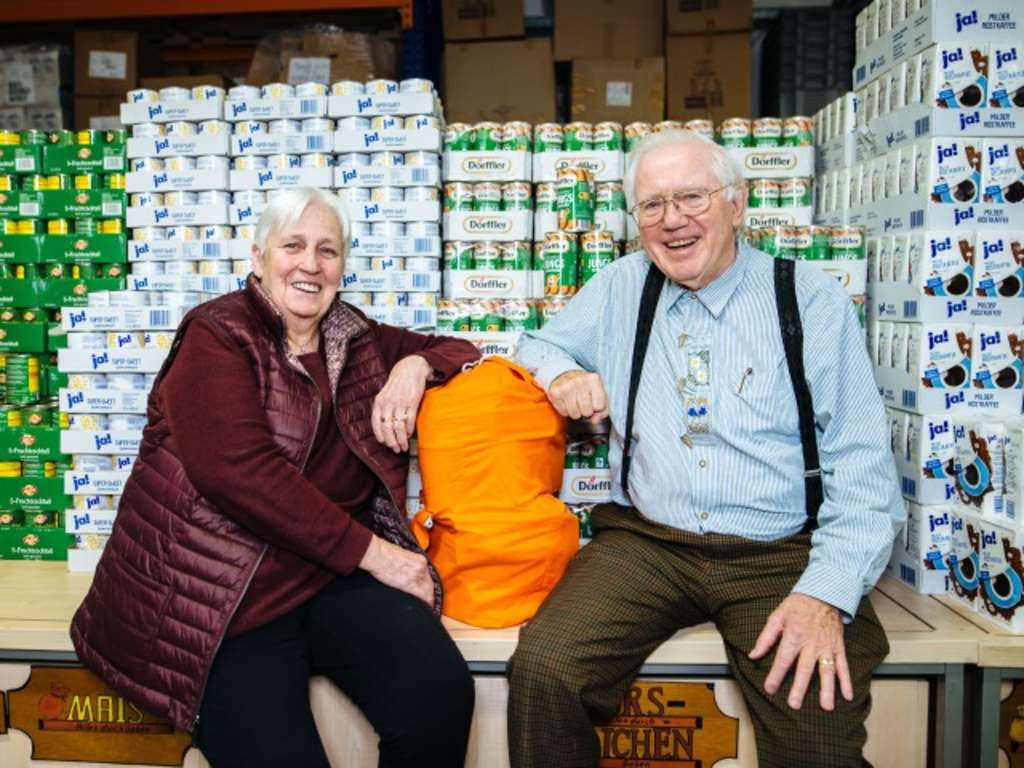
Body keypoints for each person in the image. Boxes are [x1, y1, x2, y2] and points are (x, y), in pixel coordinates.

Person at [508, 131, 905, 768]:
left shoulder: (810, 299)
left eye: (692, 197)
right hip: (649, 544)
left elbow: (862, 466)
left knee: (818, 735)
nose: (672, 221)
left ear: (736, 203)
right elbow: (532, 343)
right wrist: (561, 373)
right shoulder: (621, 286)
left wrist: (826, 593)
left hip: (779, 552)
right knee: (544, 671)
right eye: (652, 205)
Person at [71, 187, 480, 768]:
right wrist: (379, 556)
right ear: (260, 258)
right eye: (293, 246)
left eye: (327, 250)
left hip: (325, 580)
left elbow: (460, 348)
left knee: (439, 695)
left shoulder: (356, 338)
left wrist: (414, 366)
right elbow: (238, 472)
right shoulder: (217, 334)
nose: (310, 264)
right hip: (225, 598)